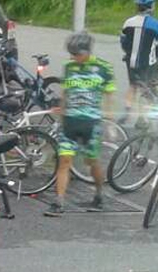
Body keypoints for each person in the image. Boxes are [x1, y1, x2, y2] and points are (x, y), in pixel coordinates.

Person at [45, 31, 117, 217]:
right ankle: (59, 202)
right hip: (70, 122)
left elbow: (109, 96)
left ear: (86, 52)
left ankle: (99, 194)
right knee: (64, 162)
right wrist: (61, 113)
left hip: (91, 124)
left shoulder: (104, 68)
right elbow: (65, 93)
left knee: (91, 162)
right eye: (71, 54)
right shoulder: (69, 67)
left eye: (76, 54)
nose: (72, 57)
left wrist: (110, 123)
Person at [121, 0, 158, 115]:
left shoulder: (128, 23)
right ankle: (143, 117)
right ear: (151, 7)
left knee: (133, 85)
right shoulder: (157, 25)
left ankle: (127, 112)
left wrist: (128, 52)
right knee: (147, 89)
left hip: (131, 61)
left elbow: (123, 42)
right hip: (148, 62)